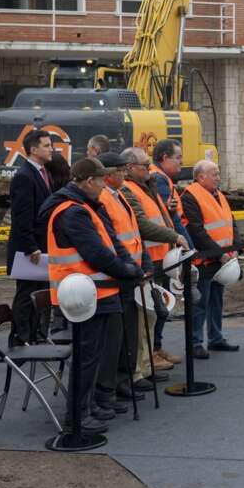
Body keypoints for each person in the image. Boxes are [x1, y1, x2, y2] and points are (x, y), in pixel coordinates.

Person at [40, 157, 143, 435]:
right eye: (100, 181)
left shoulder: (86, 207)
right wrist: (128, 271)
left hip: (99, 292)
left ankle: (88, 406)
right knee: (86, 358)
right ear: (88, 181)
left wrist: (129, 267)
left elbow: (111, 244)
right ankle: (77, 416)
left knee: (95, 356)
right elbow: (96, 253)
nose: (103, 186)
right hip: (85, 296)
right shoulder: (73, 211)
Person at [120, 146, 189, 369]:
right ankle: (149, 355)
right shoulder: (129, 190)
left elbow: (154, 217)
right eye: (145, 165)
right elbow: (142, 224)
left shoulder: (146, 186)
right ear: (130, 167)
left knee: (160, 308)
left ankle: (155, 349)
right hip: (149, 258)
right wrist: (173, 236)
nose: (150, 169)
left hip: (161, 256)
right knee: (150, 310)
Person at [95, 152, 149, 411]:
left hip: (131, 272)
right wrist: (130, 268)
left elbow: (134, 233)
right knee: (116, 337)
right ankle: (111, 386)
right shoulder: (104, 199)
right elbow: (113, 240)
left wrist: (144, 264)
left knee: (128, 332)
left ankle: (123, 379)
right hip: (119, 275)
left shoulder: (120, 196)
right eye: (120, 171)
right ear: (108, 175)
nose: (125, 175)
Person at [181, 159, 240, 358]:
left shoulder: (218, 194)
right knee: (200, 303)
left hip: (222, 259)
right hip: (204, 260)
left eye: (218, 173)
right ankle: (195, 343)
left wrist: (235, 249)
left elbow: (231, 223)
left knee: (216, 300)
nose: (218, 177)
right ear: (200, 177)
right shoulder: (190, 196)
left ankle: (216, 338)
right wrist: (219, 253)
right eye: (214, 174)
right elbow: (195, 231)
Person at [5, 129, 53, 348]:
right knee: (26, 294)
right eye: (46, 145)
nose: (51, 149)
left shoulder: (43, 172)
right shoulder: (24, 176)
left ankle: (34, 335)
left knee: (38, 294)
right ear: (33, 149)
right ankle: (20, 338)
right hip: (30, 251)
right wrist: (31, 247)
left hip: (41, 246)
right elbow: (22, 217)